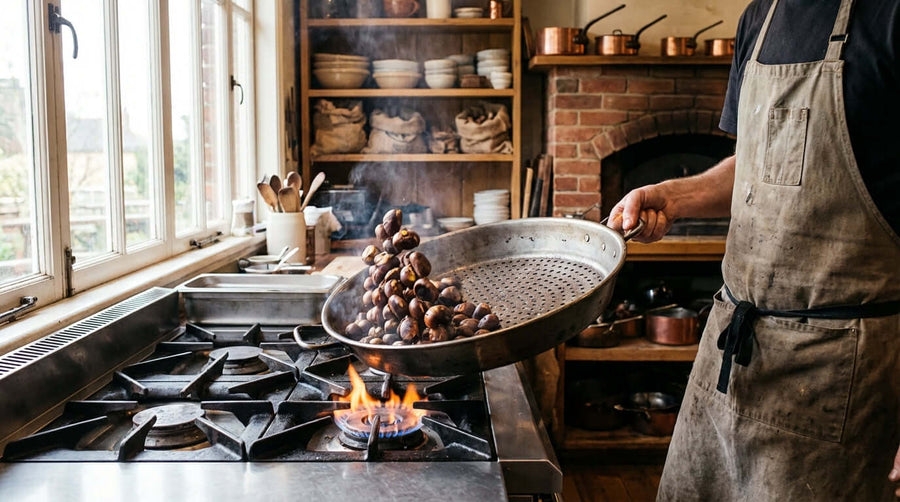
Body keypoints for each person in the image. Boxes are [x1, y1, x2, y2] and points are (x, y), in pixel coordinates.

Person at [608, 0, 900, 499]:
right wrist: (672, 197)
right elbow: (757, 161)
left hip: (838, 374)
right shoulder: (760, 18)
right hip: (733, 352)